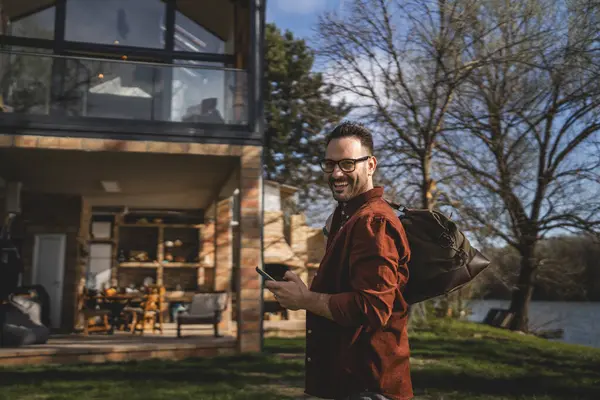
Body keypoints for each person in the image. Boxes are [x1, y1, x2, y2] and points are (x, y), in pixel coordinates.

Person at [264, 122, 413, 400]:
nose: (336, 173)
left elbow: (372, 308)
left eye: (347, 163)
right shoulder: (347, 216)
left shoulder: (374, 221)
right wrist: (305, 293)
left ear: (370, 165)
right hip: (342, 383)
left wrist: (306, 300)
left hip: (368, 387)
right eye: (329, 164)